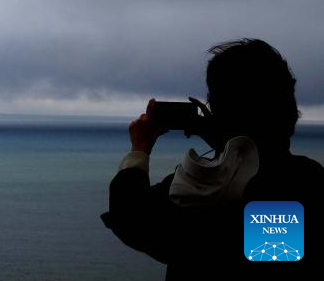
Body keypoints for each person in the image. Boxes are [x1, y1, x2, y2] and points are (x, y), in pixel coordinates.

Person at [101, 39, 323, 280]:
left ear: (218, 110)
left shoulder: (197, 190)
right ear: (288, 109)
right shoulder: (309, 181)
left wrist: (139, 149)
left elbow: (130, 217)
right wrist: (225, 141)